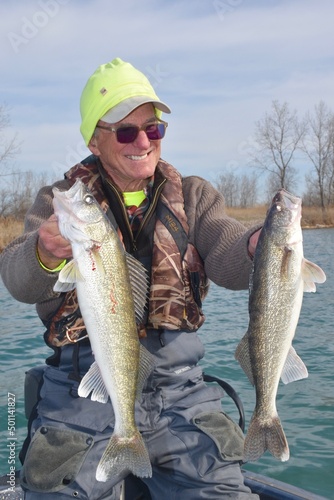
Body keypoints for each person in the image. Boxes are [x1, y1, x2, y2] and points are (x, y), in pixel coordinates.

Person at [0, 57, 261, 499]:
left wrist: (260, 246)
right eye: (125, 131)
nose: (142, 141)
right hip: (82, 397)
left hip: (183, 395)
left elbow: (228, 252)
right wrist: (42, 252)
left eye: (153, 128)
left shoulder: (195, 196)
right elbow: (20, 283)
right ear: (93, 141)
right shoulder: (60, 202)